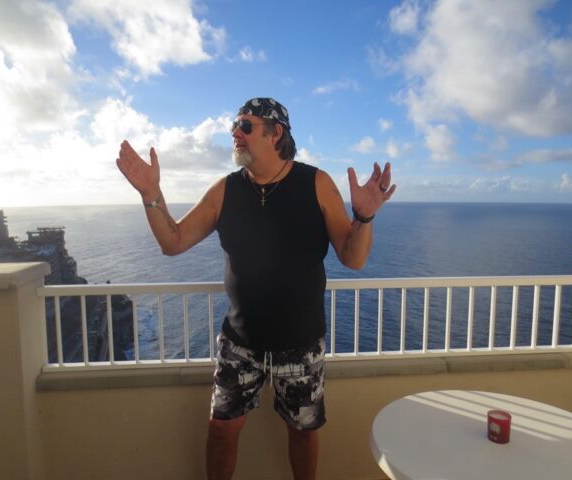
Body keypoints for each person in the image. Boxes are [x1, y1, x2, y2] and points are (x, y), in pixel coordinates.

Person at [116, 97, 396, 480]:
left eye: (245, 125)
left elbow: (353, 258)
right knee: (221, 429)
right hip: (239, 344)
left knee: (303, 432)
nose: (235, 133)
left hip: (300, 343)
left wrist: (364, 216)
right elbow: (173, 241)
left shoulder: (316, 184)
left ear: (275, 132)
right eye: (235, 125)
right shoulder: (226, 190)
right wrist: (151, 193)